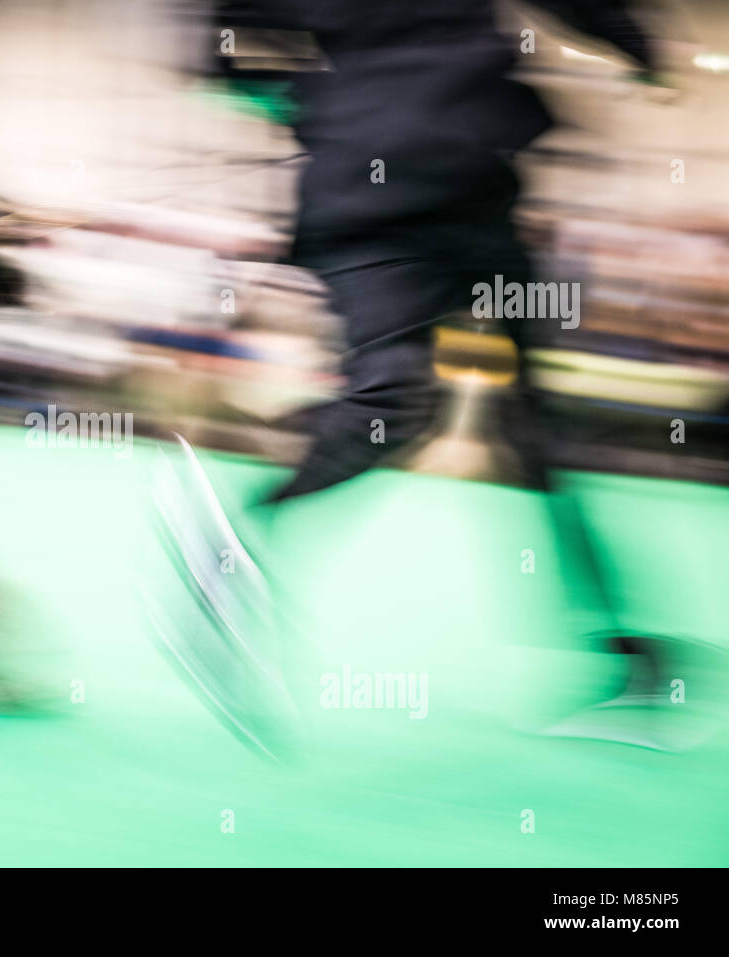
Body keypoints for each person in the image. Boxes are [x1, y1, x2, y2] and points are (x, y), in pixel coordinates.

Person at [155, 0, 691, 757]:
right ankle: (242, 533)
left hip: (376, 186)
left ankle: (622, 659)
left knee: (458, 409)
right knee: (455, 409)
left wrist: (307, 98)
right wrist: (642, 51)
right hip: (451, 178)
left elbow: (214, 39)